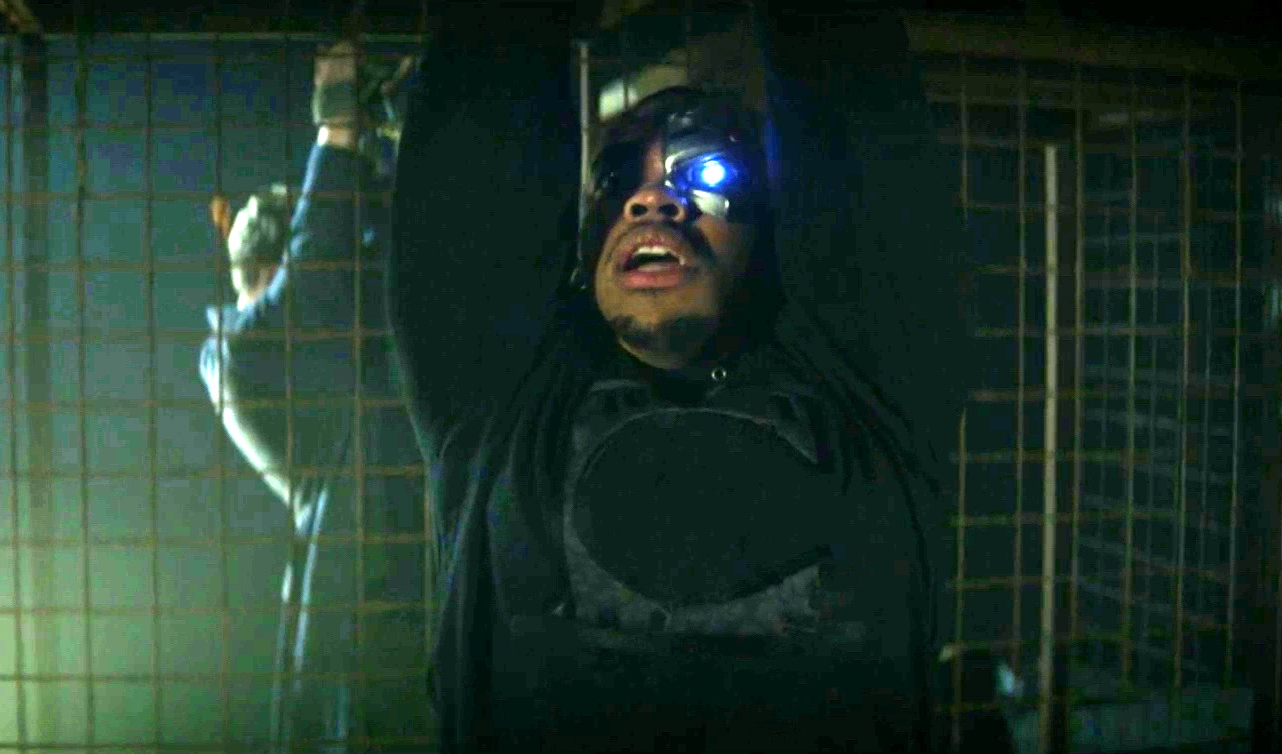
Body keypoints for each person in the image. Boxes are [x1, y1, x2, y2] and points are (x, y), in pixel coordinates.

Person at [390, 3, 970, 752]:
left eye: (705, 172)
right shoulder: (502, 403)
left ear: (772, 227)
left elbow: (855, 114)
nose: (653, 197)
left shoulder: (870, 395)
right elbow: (484, 97)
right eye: (617, 177)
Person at [199, 41, 422, 753]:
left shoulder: (293, 349)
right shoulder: (241, 349)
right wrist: (336, 128)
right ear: (274, 265)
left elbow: (352, 254)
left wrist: (393, 136)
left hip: (367, 592)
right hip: (362, 611)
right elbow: (321, 260)